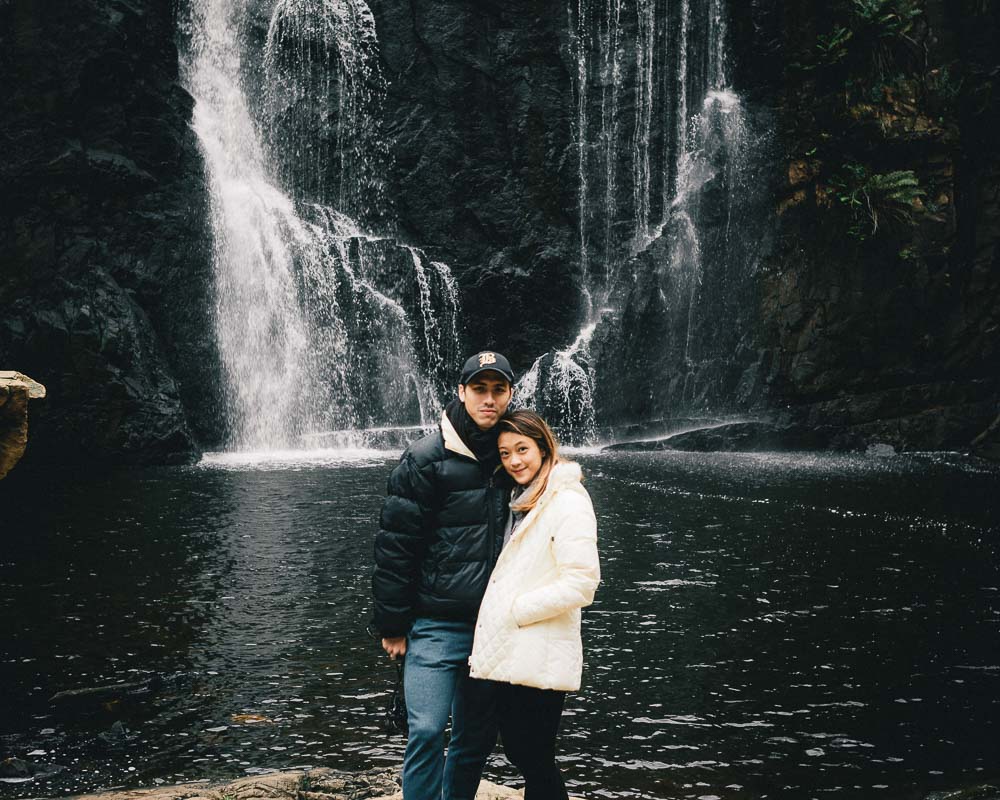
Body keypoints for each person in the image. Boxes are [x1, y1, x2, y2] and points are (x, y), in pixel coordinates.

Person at [372, 351, 516, 800]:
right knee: (428, 730)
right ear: (461, 392)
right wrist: (393, 625)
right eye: (479, 389)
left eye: (498, 390)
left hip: (492, 626)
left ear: (510, 395)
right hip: (434, 624)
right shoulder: (425, 459)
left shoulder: (517, 457)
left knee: (474, 740)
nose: (488, 399)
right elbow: (396, 545)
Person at [469, 410, 600, 800]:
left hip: (539, 642)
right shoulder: (523, 498)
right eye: (505, 453)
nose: (514, 461)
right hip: (521, 648)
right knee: (523, 750)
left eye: (522, 449)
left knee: (532, 752)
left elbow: (582, 583)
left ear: (543, 447)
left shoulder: (568, 501)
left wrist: (516, 609)